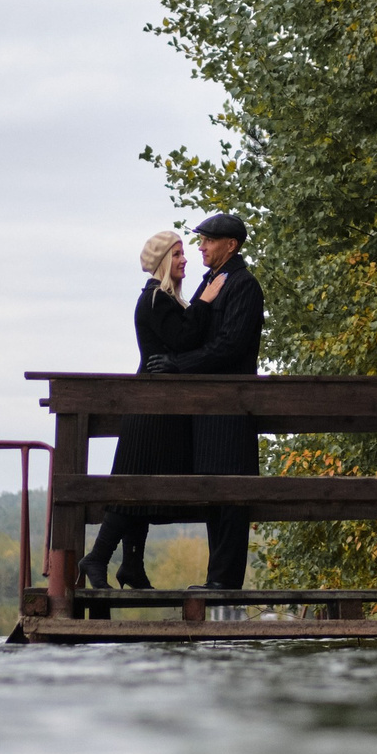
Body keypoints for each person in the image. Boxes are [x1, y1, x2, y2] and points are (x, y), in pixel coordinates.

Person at [80, 230, 221, 595]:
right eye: (177, 254)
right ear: (162, 262)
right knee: (135, 485)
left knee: (142, 486)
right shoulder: (156, 299)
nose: (185, 259)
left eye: (183, 253)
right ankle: (97, 557)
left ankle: (132, 565)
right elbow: (184, 338)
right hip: (150, 407)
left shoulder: (166, 300)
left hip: (158, 405)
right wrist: (205, 301)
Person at [161, 211, 264, 590]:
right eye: (200, 240)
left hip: (232, 405)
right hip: (207, 406)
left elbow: (230, 345)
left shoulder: (244, 285)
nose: (200, 247)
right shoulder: (210, 281)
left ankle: (224, 583)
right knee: (212, 491)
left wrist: (179, 365)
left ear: (230, 245)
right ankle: (216, 582)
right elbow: (194, 331)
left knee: (232, 493)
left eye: (208, 240)